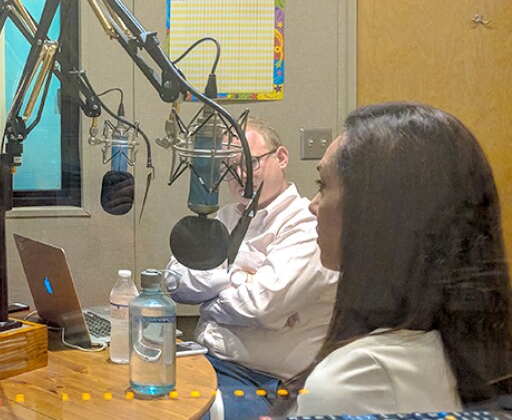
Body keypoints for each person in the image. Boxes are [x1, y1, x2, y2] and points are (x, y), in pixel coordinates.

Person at [292, 102, 512, 414]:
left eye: (322, 186)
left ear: (380, 215)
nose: (313, 205)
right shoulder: (467, 351)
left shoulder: (356, 382)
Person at [167, 117, 338, 419]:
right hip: (206, 359)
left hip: (264, 381)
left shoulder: (306, 223)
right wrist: (237, 279)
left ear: (281, 158)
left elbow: (261, 307)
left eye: (249, 162)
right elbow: (175, 278)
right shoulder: (225, 217)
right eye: (228, 169)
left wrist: (208, 299)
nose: (240, 176)